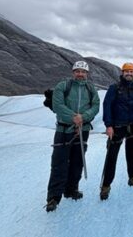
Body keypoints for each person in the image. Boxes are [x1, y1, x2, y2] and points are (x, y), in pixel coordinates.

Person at [45, 61, 100, 212]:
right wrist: (73, 117)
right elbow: (57, 105)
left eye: (83, 71)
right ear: (73, 72)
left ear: (87, 74)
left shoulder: (90, 88)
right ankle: (53, 197)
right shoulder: (63, 86)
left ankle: (71, 189)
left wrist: (84, 117)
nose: (80, 74)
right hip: (64, 130)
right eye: (78, 71)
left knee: (77, 161)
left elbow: (95, 105)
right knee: (59, 163)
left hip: (83, 129)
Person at [100, 63, 133, 200]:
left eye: (131, 71)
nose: (129, 73)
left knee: (131, 153)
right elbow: (107, 105)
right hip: (117, 126)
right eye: (126, 71)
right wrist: (108, 125)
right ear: (122, 73)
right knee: (112, 156)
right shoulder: (114, 88)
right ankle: (106, 186)